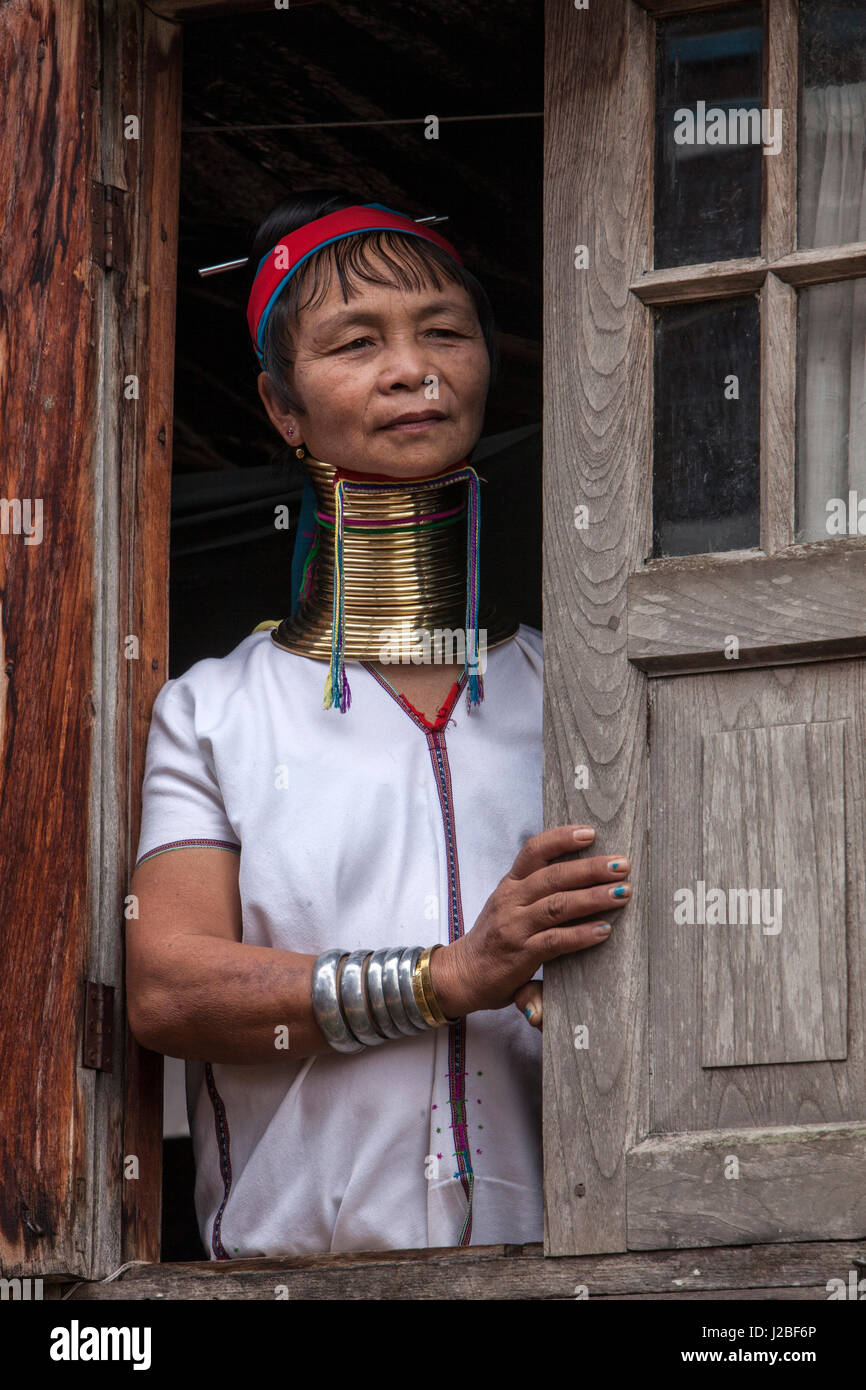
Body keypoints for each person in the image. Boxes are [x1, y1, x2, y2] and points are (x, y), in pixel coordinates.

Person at [125, 192, 633, 1259]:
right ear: (281, 406)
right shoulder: (214, 711)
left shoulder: (587, 690)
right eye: (357, 343)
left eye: (443, 331)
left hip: (587, 1270)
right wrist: (447, 978)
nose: (415, 368)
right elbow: (169, 988)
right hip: (304, 1283)